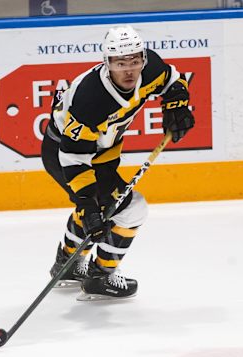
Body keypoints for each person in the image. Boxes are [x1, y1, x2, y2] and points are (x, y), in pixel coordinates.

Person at [41, 25, 195, 300]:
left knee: (103, 210)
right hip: (64, 155)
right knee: (131, 209)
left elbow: (173, 80)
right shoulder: (90, 98)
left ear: (143, 60)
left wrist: (177, 105)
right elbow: (73, 157)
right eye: (120, 63)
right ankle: (100, 277)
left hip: (102, 157)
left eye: (134, 61)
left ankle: (67, 266)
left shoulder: (150, 69)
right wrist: (88, 205)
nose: (129, 70)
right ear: (107, 62)